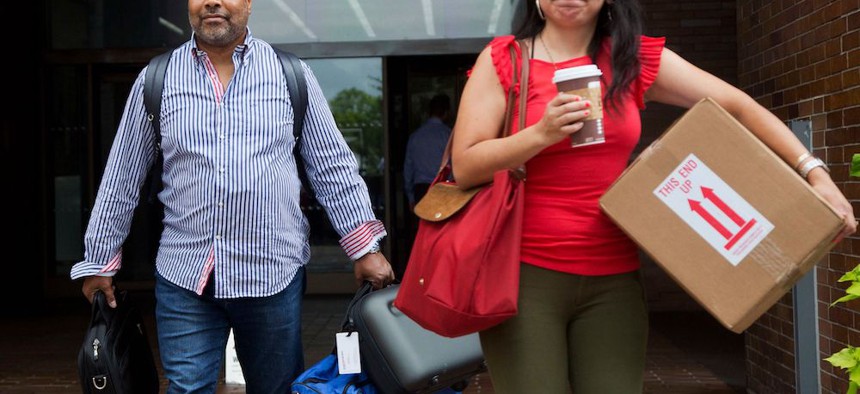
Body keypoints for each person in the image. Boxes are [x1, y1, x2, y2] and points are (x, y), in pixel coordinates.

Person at [451, 1, 857, 393]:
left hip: (614, 279)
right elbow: (466, 164)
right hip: (523, 278)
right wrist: (540, 134)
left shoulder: (630, 57)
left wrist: (815, 173)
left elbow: (736, 104)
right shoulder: (506, 59)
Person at [69, 0, 395, 392]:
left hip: (272, 273)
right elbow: (123, 174)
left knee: (276, 389)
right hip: (185, 275)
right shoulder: (156, 79)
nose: (212, 1)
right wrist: (99, 260)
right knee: (187, 389)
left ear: (249, 4)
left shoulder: (290, 75)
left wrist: (364, 247)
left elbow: (331, 166)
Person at [403, 93, 453, 208]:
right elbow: (454, 165)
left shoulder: (415, 136)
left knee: (421, 226)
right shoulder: (448, 136)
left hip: (420, 190)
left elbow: (408, 169)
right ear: (446, 112)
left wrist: (410, 196)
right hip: (442, 189)